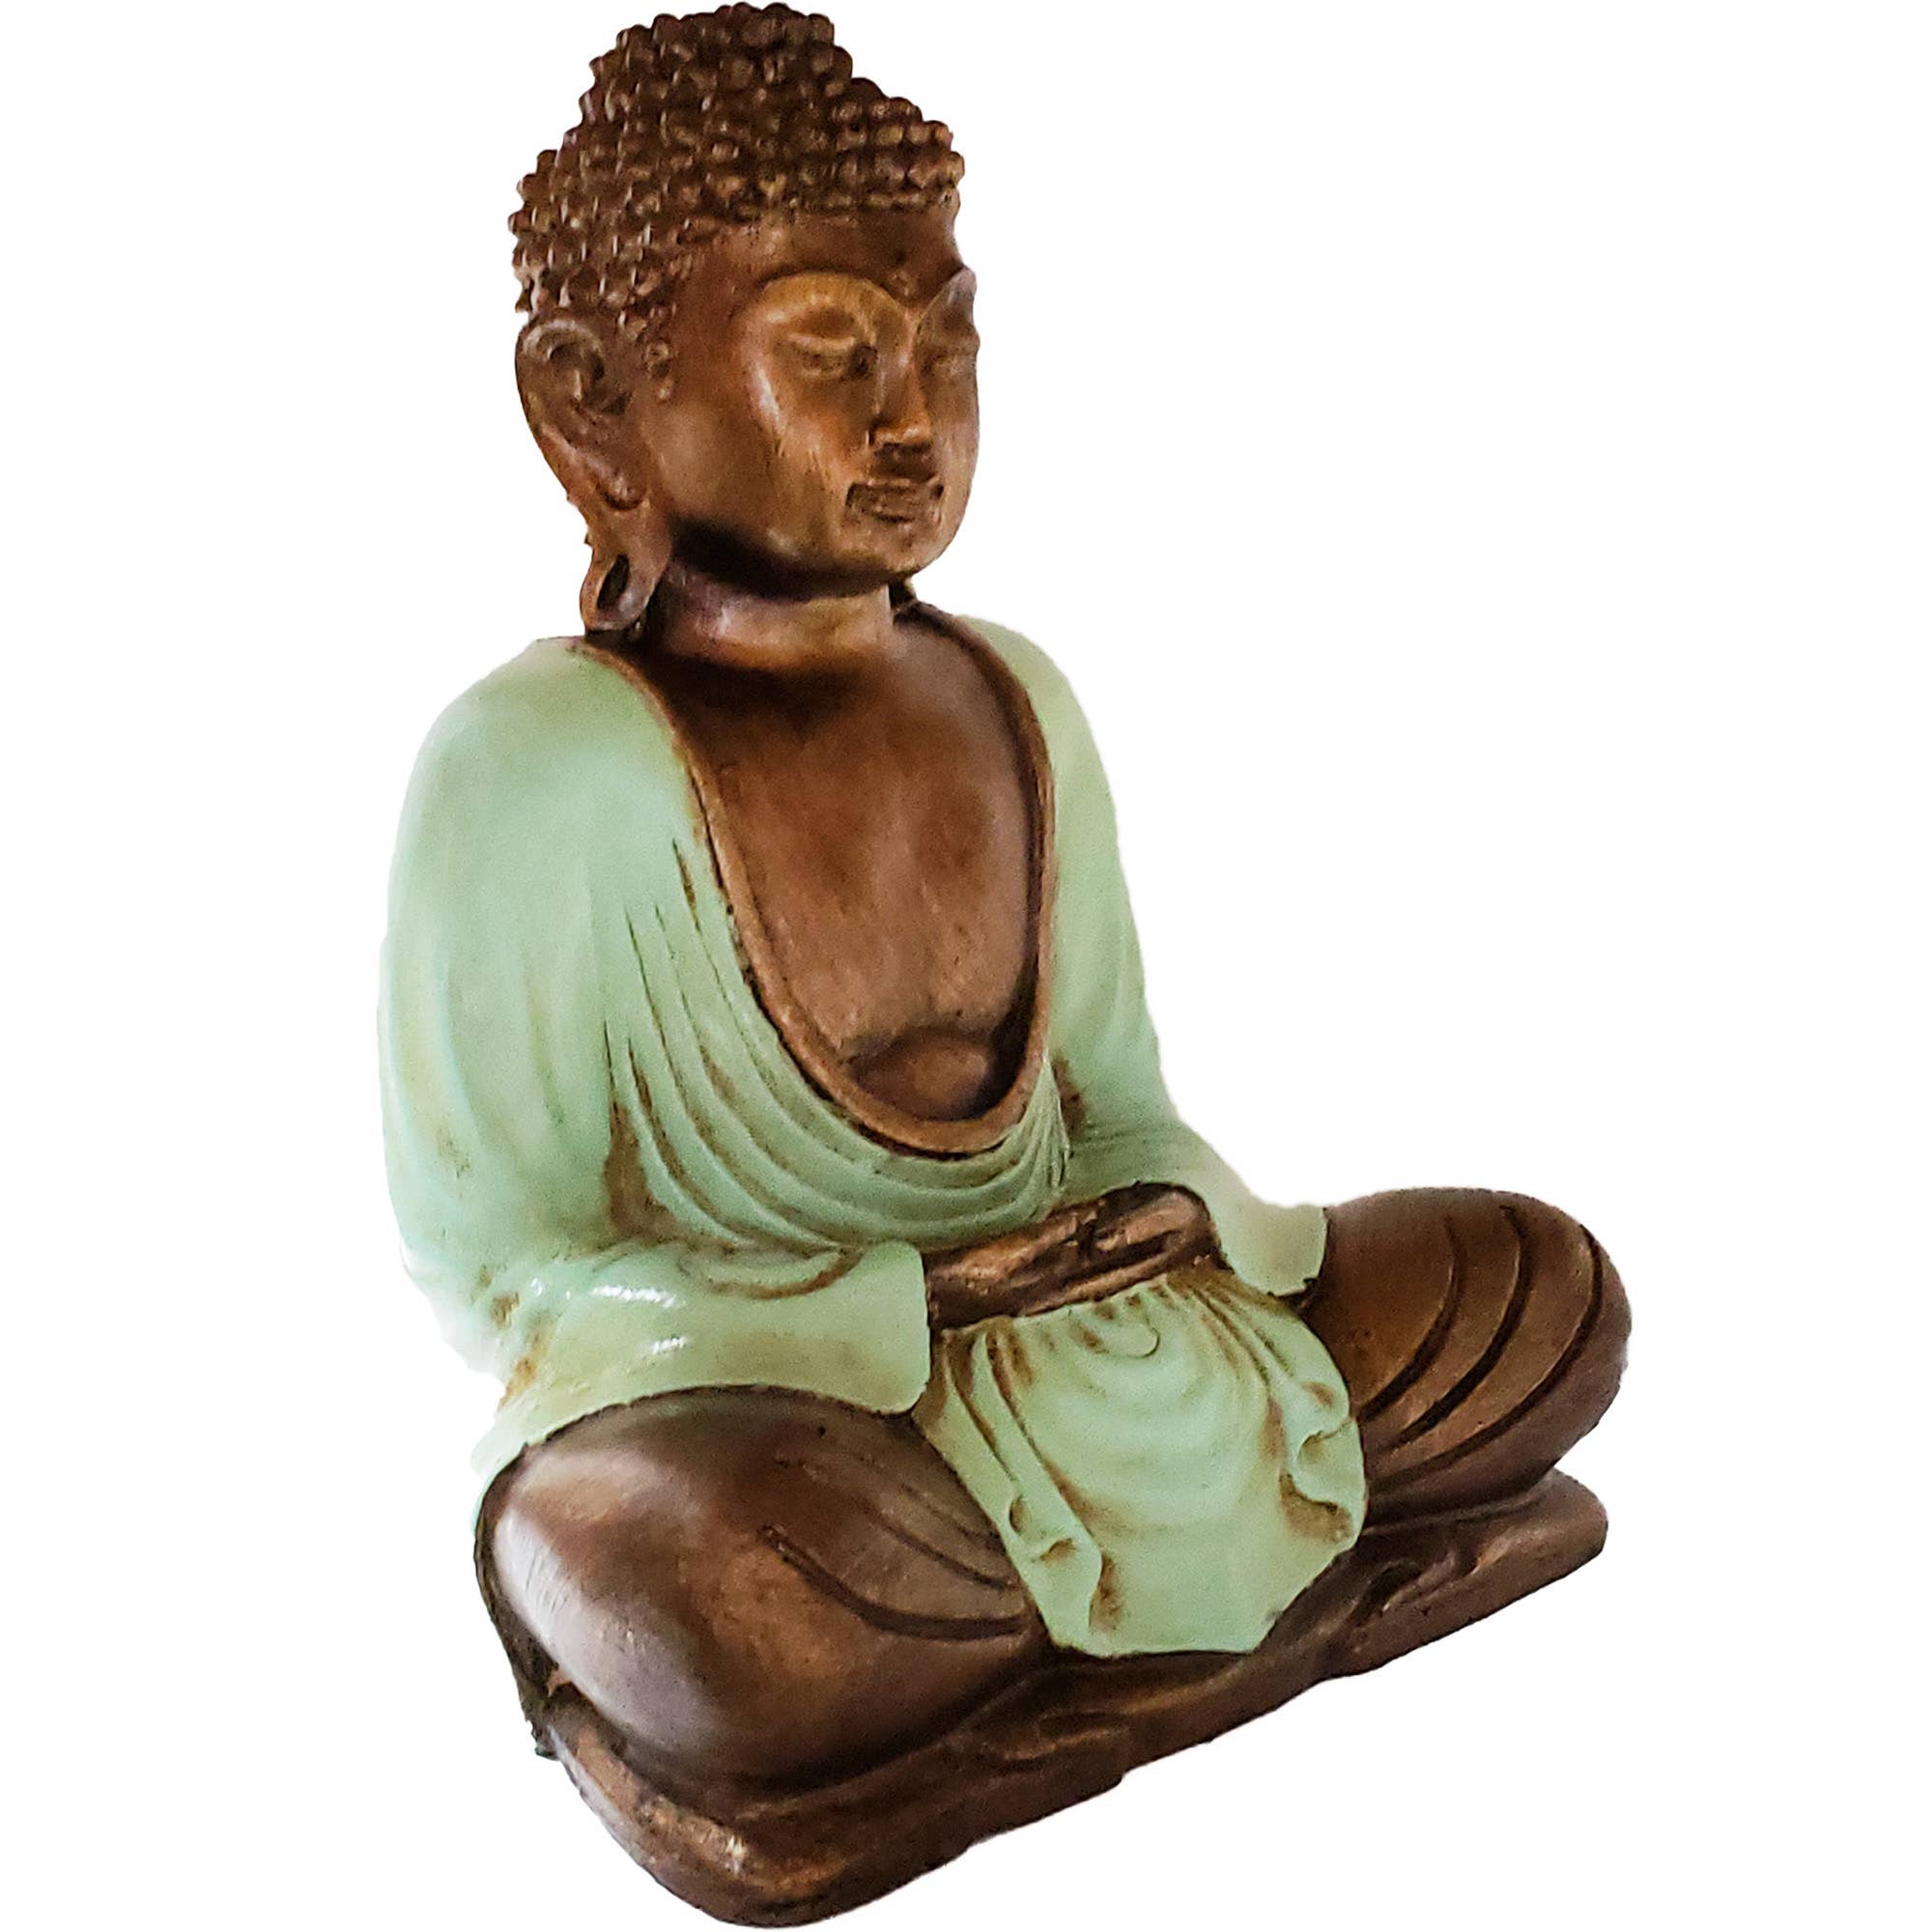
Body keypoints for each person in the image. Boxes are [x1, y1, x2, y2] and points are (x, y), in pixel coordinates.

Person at [380, 3, 1627, 1905]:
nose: (911, 418)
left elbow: (1114, 1104)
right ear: (592, 407)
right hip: (785, 1418)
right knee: (710, 1585)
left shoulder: (1013, 696)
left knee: (1538, 1296)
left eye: (945, 344)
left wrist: (1169, 1214)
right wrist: (899, 1305)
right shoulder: (532, 770)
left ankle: (1003, 1690)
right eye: (831, 355)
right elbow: (504, 1269)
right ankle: (1183, 1617)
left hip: (1109, 1343)